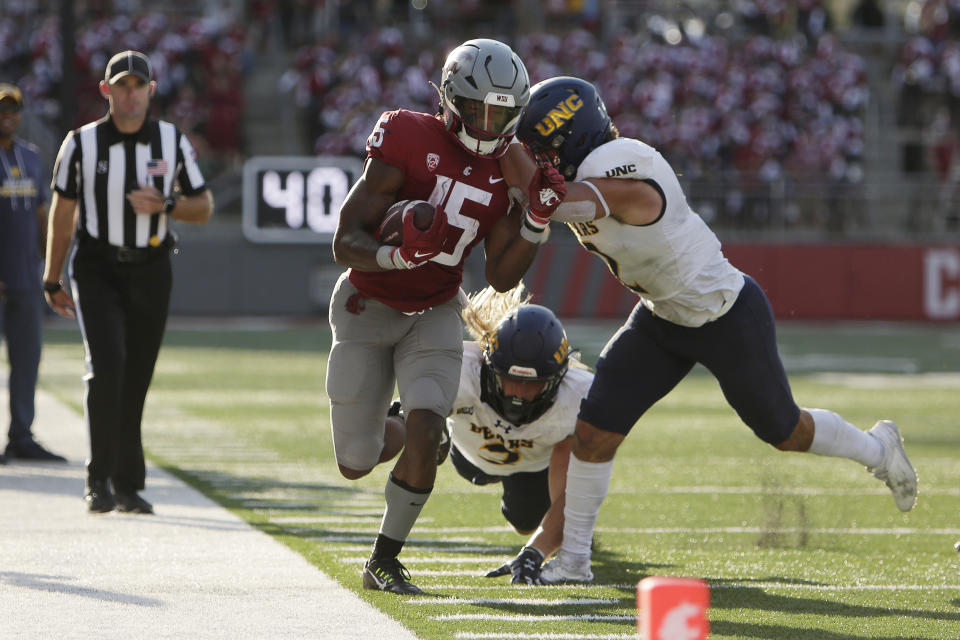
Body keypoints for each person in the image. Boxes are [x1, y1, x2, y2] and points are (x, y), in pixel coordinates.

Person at [507, 76, 918, 583]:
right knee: (593, 432)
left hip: (724, 314)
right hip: (661, 317)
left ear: (572, 138)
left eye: (545, 150)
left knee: (784, 430)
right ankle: (573, 560)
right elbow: (544, 195)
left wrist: (502, 153)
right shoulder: (579, 176)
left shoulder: (621, 162)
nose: (542, 161)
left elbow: (566, 199)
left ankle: (880, 449)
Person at [327, 38, 564, 595]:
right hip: (368, 302)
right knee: (355, 461)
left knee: (430, 418)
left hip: (434, 306)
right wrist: (394, 255)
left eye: (502, 113)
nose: (489, 123)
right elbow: (345, 240)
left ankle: (384, 560)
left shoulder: (510, 164)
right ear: (452, 100)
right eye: (479, 109)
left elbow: (503, 277)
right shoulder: (408, 135)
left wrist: (535, 220)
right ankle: (403, 430)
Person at [43, 51, 213, 514]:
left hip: (152, 266)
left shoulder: (171, 141)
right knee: (108, 367)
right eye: (122, 85)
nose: (131, 93)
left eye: (138, 85)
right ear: (106, 90)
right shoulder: (80, 143)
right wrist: (52, 276)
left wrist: (166, 205)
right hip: (97, 264)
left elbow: (203, 206)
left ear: (151, 91)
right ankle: (99, 477)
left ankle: (128, 483)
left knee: (135, 376)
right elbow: (63, 213)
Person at [390, 285, 594, 584]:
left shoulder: (578, 396)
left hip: (534, 464)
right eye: (511, 380)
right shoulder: (460, 369)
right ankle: (444, 433)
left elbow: (573, 493)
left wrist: (535, 550)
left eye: (533, 384)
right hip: (470, 456)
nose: (520, 395)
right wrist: (418, 420)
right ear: (489, 364)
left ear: (558, 376)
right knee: (431, 430)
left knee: (526, 525)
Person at [0, 83, 66, 464]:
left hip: (25, 276)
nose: (7, 115)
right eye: (1, 110)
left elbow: (43, 215)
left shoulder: (32, 157)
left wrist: (49, 267)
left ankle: (21, 435)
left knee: (27, 362)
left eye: (13, 109)